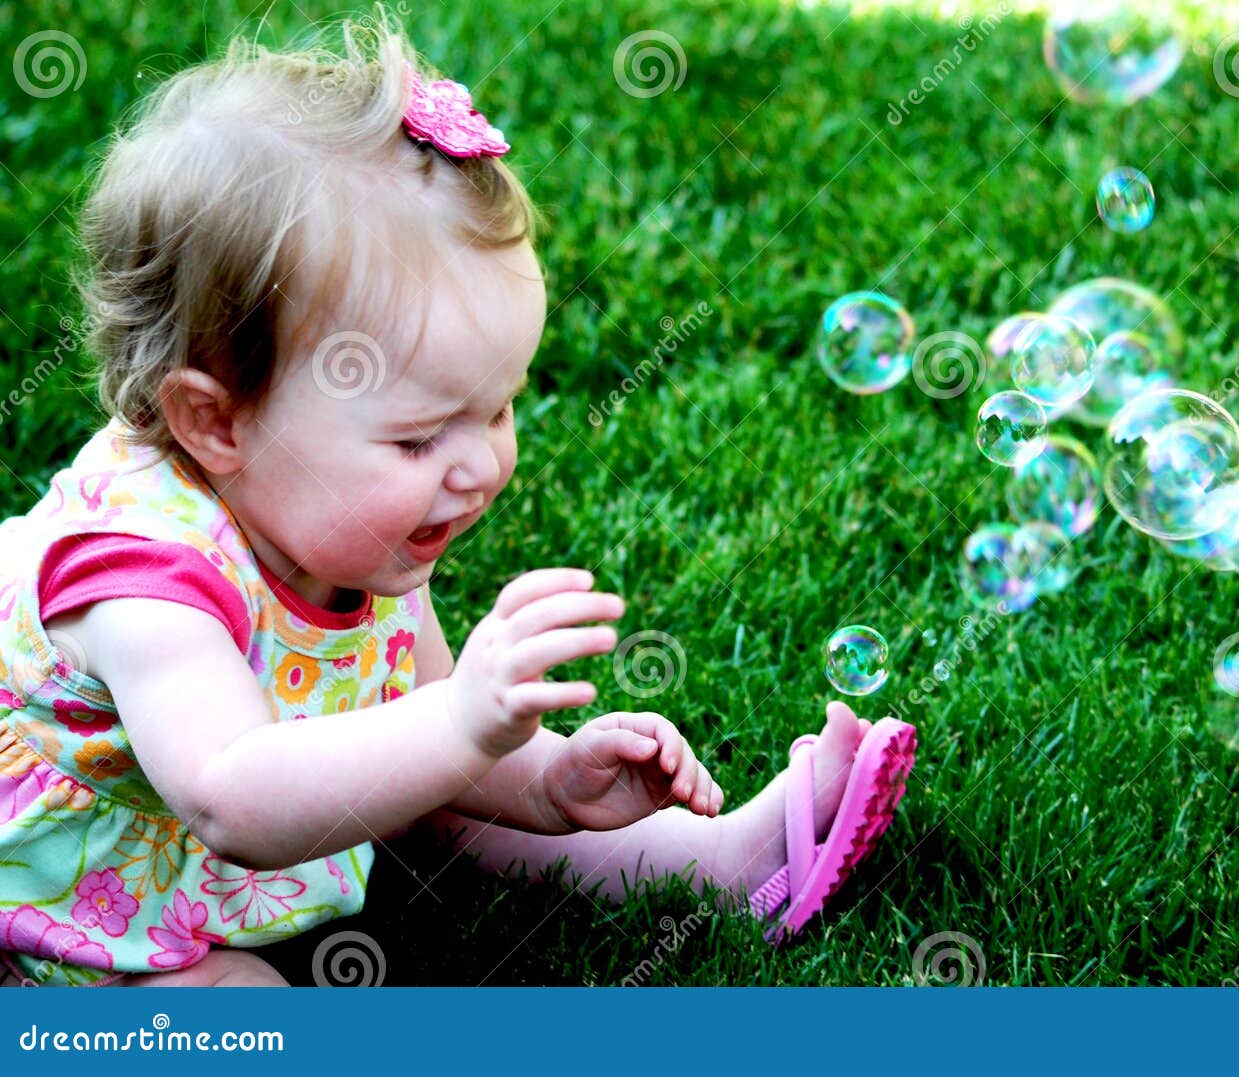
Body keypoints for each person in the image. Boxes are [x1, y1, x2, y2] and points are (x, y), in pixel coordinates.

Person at [0, 7, 914, 988]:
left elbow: (427, 720)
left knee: (421, 777)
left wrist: (545, 777)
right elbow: (234, 798)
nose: (478, 465)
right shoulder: (142, 586)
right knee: (239, 1000)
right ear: (215, 424)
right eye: (418, 435)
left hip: (250, 813)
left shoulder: (358, 530)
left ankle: (707, 865)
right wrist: (461, 725)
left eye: (498, 407)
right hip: (69, 877)